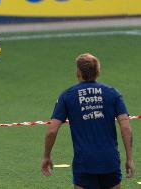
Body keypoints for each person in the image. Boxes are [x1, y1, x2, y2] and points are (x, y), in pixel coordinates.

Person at [41, 53, 134, 189]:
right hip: (110, 161)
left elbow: (52, 130)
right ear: (98, 71)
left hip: (84, 162)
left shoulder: (67, 96)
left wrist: (46, 156)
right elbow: (126, 128)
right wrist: (130, 158)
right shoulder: (113, 93)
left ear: (78, 72)